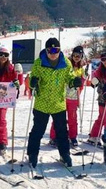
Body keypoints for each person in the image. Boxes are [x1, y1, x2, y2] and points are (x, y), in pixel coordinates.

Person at [27, 38, 81, 169]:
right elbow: (32, 78)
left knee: (62, 131)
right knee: (38, 130)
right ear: (46, 50)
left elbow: (69, 77)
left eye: (56, 50)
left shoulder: (66, 63)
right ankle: (32, 154)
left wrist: (74, 81)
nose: (53, 53)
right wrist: (32, 82)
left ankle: (65, 154)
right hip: (42, 103)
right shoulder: (39, 62)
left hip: (58, 103)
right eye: (50, 50)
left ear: (59, 50)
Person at [49, 45, 86, 148]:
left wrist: (82, 82)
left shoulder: (81, 69)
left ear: (81, 56)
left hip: (73, 98)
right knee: (59, 118)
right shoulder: (66, 64)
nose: (76, 57)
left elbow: (81, 86)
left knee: (73, 118)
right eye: (74, 55)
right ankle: (54, 136)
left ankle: (73, 136)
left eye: (78, 56)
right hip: (63, 96)